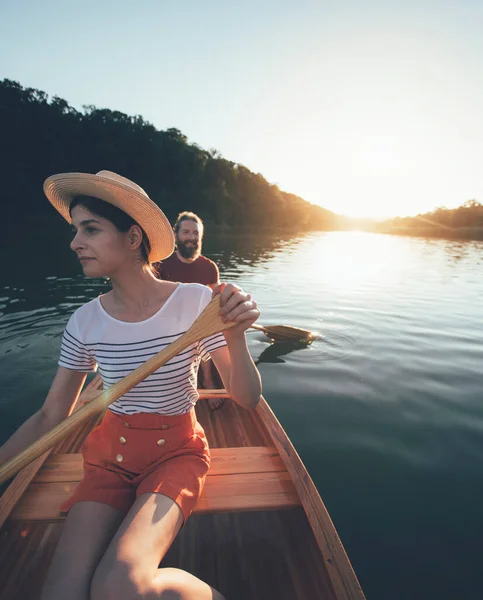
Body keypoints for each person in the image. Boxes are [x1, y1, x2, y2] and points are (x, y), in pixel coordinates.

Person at [0, 170, 262, 600]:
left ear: (133, 237)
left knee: (119, 586)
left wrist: (235, 334)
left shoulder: (197, 303)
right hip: (109, 458)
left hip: (177, 453)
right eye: (75, 231)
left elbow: (247, 398)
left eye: (90, 229)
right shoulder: (84, 321)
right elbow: (52, 415)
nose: (75, 242)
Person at [154, 211, 224, 410]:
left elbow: (214, 303)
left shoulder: (209, 267)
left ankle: (208, 380)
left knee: (207, 328)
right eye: (186, 232)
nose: (191, 237)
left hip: (199, 324)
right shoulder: (160, 265)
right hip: (167, 322)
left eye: (195, 233)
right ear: (176, 235)